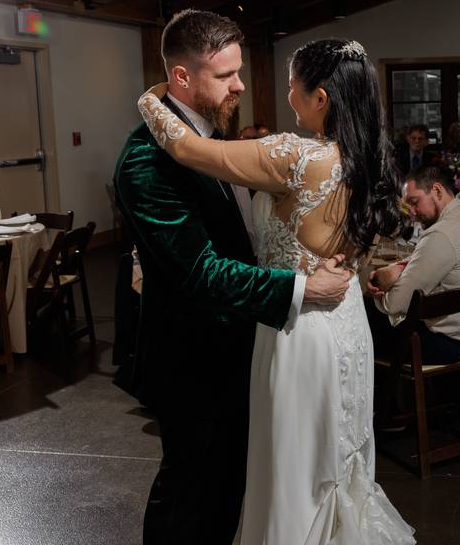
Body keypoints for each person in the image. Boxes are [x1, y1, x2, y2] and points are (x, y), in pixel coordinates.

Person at [135, 29, 415, 543]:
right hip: (347, 321)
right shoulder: (367, 156)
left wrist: (150, 98)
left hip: (300, 331)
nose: (283, 95)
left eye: (291, 86)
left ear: (320, 98)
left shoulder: (295, 156)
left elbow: (184, 147)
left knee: (296, 473)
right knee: (338, 461)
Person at [367, 164, 460, 365]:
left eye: (414, 201)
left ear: (436, 190)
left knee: (360, 317)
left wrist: (378, 292)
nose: (411, 212)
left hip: (436, 344)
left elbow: (394, 304)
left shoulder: (441, 234)